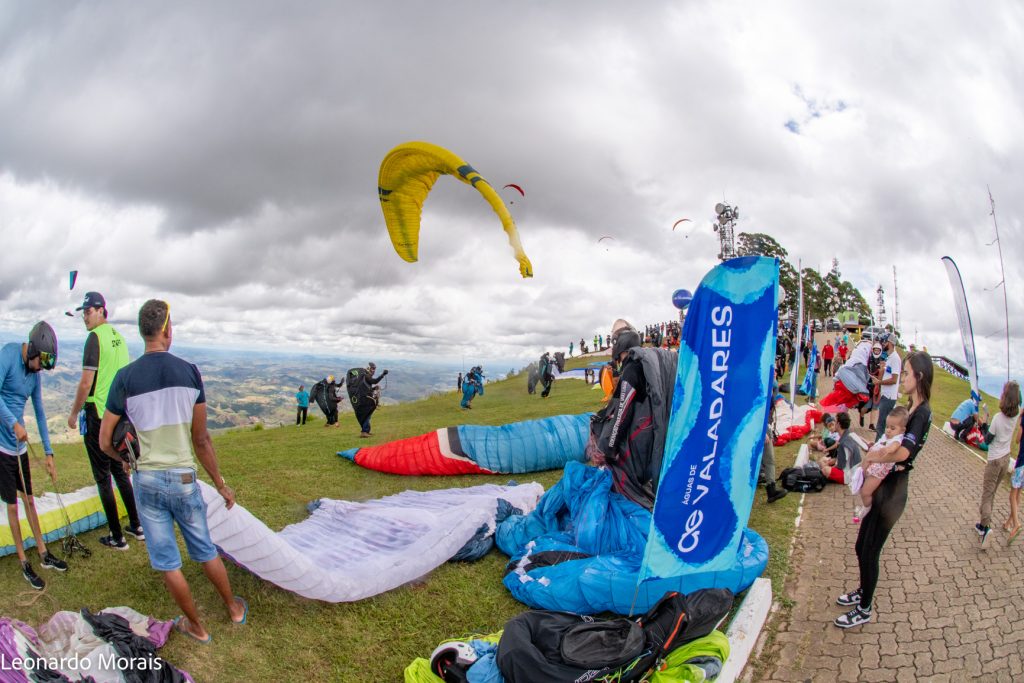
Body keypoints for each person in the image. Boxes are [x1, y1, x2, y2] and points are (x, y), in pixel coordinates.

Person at [99, 300, 246, 643]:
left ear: (143, 331)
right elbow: (201, 439)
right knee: (205, 549)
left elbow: (105, 440)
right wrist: (221, 484)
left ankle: (197, 627)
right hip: (183, 479)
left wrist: (125, 460)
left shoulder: (125, 378)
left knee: (168, 562)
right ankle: (234, 609)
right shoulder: (190, 372)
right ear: (166, 330)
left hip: (147, 480)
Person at [834, 351, 932, 628]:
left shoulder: (922, 413)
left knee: (869, 551)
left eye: (907, 374)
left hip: (892, 494)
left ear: (919, 377)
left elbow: (904, 452)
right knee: (861, 546)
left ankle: (865, 608)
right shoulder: (912, 407)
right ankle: (863, 590)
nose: (903, 378)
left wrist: (874, 457)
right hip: (884, 488)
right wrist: (876, 449)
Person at [64, 292, 143, 550]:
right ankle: (137, 525)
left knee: (102, 477)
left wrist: (74, 413)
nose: (85, 317)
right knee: (119, 471)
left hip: (97, 413)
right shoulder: (118, 336)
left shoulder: (94, 338)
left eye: (88, 312)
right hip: (118, 414)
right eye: (83, 313)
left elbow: (86, 382)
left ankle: (117, 537)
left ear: (101, 310)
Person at [1, 322, 68, 589]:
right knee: (12, 506)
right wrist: (13, 424)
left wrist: (49, 452)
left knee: (29, 499)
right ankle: (23, 561)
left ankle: (43, 553)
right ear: (32, 350)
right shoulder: (7, 355)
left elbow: (39, 412)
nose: (40, 369)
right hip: (2, 447)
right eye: (40, 362)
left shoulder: (35, 374)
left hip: (19, 446)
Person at [588, 321, 676, 509]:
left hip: (638, 445)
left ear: (619, 341)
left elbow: (623, 412)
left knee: (599, 437)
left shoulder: (632, 369)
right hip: (651, 437)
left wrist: (608, 449)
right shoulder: (643, 363)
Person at [975, 381, 1021, 548]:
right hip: (1005, 459)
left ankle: (985, 528)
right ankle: (982, 524)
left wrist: (984, 424)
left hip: (994, 460)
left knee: (987, 494)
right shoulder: (1016, 415)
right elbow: (1019, 401)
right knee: (992, 492)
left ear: (1004, 397)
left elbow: (987, 440)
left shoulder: (997, 418)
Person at [851, 407, 909, 521]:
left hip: (878, 471)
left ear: (902, 430)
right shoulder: (887, 436)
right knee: (863, 487)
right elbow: (879, 444)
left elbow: (894, 446)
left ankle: (867, 508)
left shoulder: (897, 438)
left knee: (865, 492)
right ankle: (866, 505)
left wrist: (887, 449)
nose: (888, 430)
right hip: (873, 465)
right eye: (887, 427)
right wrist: (870, 444)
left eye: (892, 428)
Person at [817, 412, 861, 485]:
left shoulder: (843, 443)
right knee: (823, 461)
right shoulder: (848, 435)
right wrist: (830, 462)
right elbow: (843, 459)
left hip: (848, 475)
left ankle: (827, 477)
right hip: (853, 469)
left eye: (836, 421)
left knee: (825, 469)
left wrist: (829, 466)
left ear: (839, 424)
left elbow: (840, 466)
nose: (834, 423)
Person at [347, 362, 388, 437]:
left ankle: (366, 431)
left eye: (374, 369)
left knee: (367, 415)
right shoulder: (366, 375)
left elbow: (366, 388)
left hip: (364, 398)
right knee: (367, 415)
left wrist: (374, 388)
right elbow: (374, 381)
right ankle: (364, 432)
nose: (373, 370)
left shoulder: (364, 376)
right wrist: (383, 375)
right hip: (365, 399)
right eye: (372, 368)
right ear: (368, 368)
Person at [873, 334, 901, 441]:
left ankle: (877, 446)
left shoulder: (895, 359)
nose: (883, 345)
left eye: (885, 342)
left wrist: (879, 382)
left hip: (889, 397)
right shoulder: (890, 358)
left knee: (881, 425)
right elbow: (888, 375)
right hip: (885, 395)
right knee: (882, 423)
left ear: (890, 343)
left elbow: (894, 379)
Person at [1003, 410, 1024, 544]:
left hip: (1022, 462)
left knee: (1012, 495)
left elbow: (1017, 439)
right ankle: (1008, 523)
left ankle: (1016, 523)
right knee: (1018, 493)